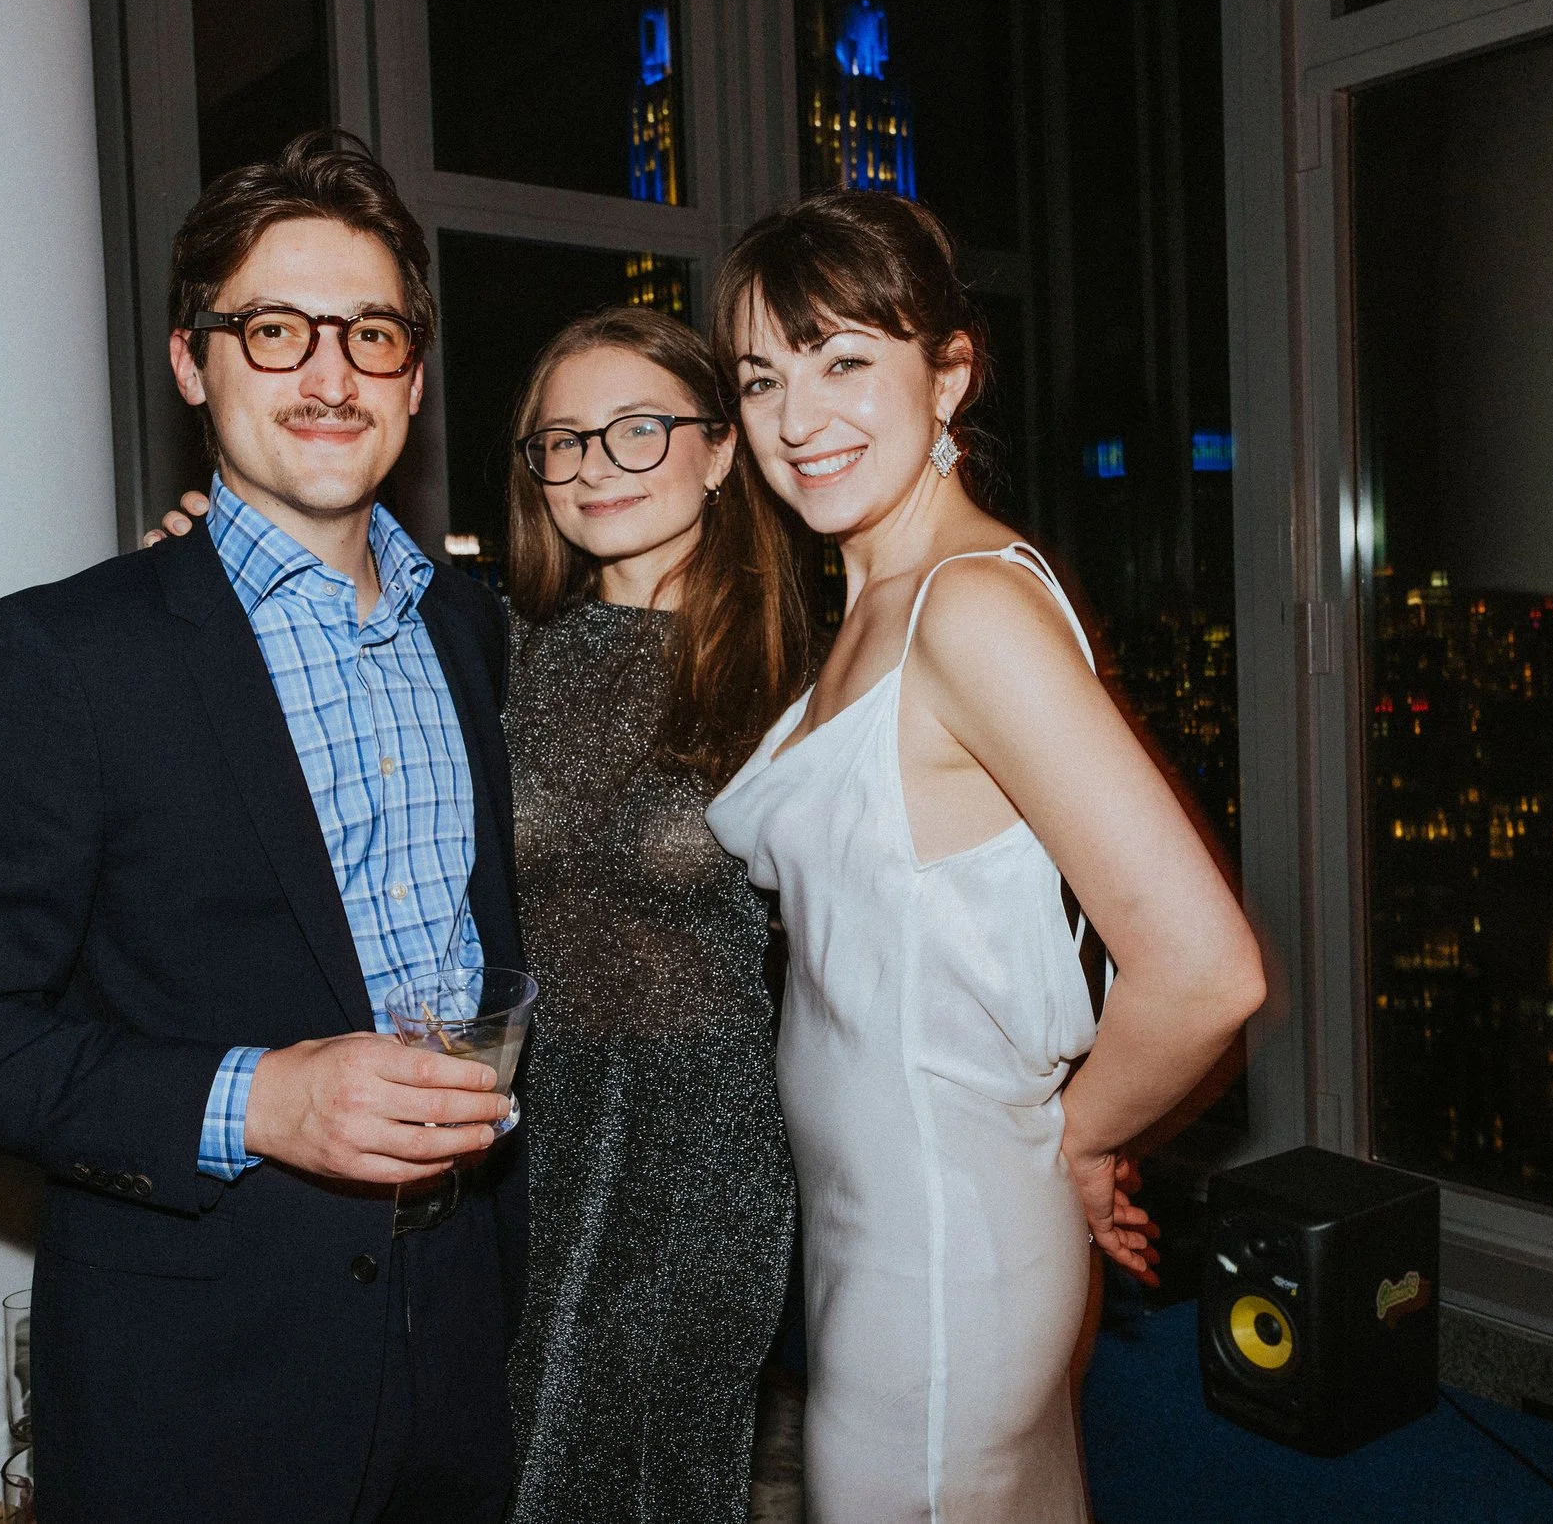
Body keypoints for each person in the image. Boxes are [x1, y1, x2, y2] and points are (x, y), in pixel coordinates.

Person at [0, 130, 525, 1524]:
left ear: (415, 371)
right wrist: (258, 1097)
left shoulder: (474, 630)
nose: (331, 374)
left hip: (465, 1346)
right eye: (275, 329)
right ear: (191, 360)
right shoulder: (70, 655)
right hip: (206, 1388)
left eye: (372, 331)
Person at [154, 306, 807, 1523]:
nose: (592, 468)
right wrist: (199, 553)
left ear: (721, 449)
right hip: (511, 1135)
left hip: (695, 1149)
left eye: (636, 431)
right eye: (561, 441)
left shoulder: (793, 675)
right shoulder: (485, 645)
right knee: (503, 1466)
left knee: (646, 1474)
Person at [703, 190, 1268, 1524]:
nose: (799, 417)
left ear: (947, 372)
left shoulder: (968, 609)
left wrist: (1076, 1136)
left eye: (846, 360)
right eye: (763, 376)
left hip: (939, 1263)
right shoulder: (883, 599)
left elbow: (1206, 971)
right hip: (896, 1240)